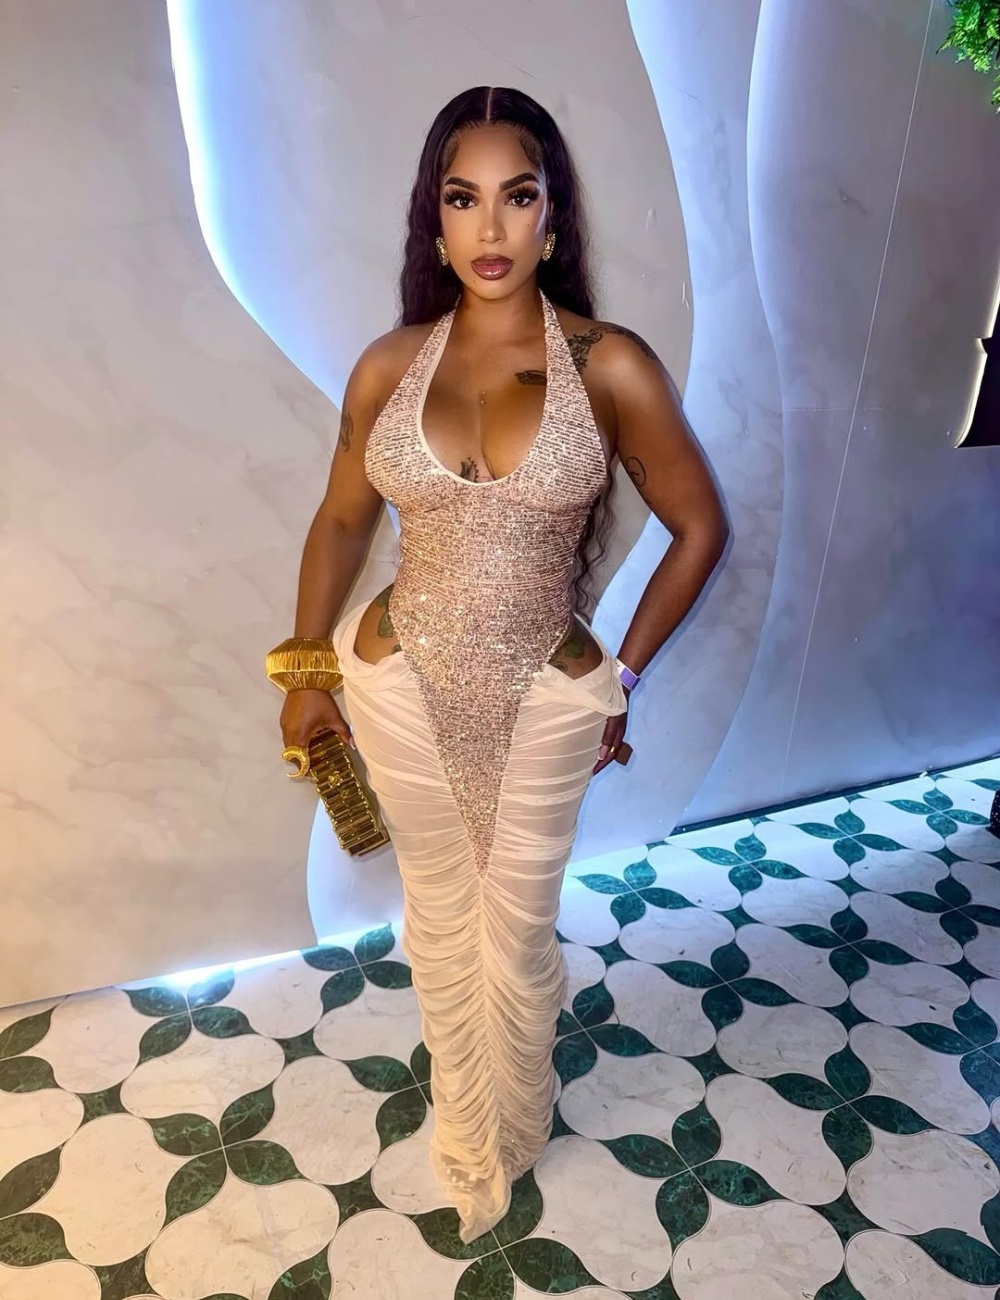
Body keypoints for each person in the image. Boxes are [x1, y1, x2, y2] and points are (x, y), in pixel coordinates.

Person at [275, 86, 729, 1243]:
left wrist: (624, 675)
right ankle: (463, 1127)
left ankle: (507, 1130)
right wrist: (305, 675)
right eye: (462, 197)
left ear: (552, 218)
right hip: (397, 685)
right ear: (434, 223)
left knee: (515, 933)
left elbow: (698, 526)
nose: (489, 226)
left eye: (516, 197)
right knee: (438, 923)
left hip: (544, 697)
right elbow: (340, 522)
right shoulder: (387, 366)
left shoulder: (610, 365)